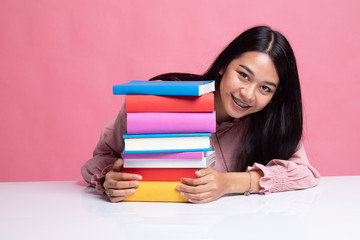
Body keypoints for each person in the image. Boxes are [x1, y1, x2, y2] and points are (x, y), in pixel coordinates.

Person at [81, 26, 320, 203]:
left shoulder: (270, 123)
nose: (248, 94)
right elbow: (99, 159)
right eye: (243, 75)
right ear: (223, 66)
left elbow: (305, 173)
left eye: (265, 88)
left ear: (275, 96)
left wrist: (230, 183)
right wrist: (109, 178)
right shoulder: (160, 100)